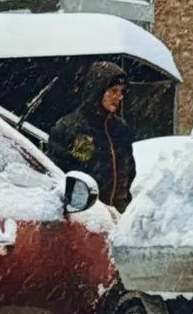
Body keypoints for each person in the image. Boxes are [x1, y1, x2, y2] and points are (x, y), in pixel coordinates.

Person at [51, 60, 136, 210]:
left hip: (118, 216)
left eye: (121, 92)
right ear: (97, 90)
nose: (119, 97)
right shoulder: (70, 128)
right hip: (85, 217)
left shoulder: (121, 130)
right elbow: (57, 176)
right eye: (114, 91)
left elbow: (129, 173)